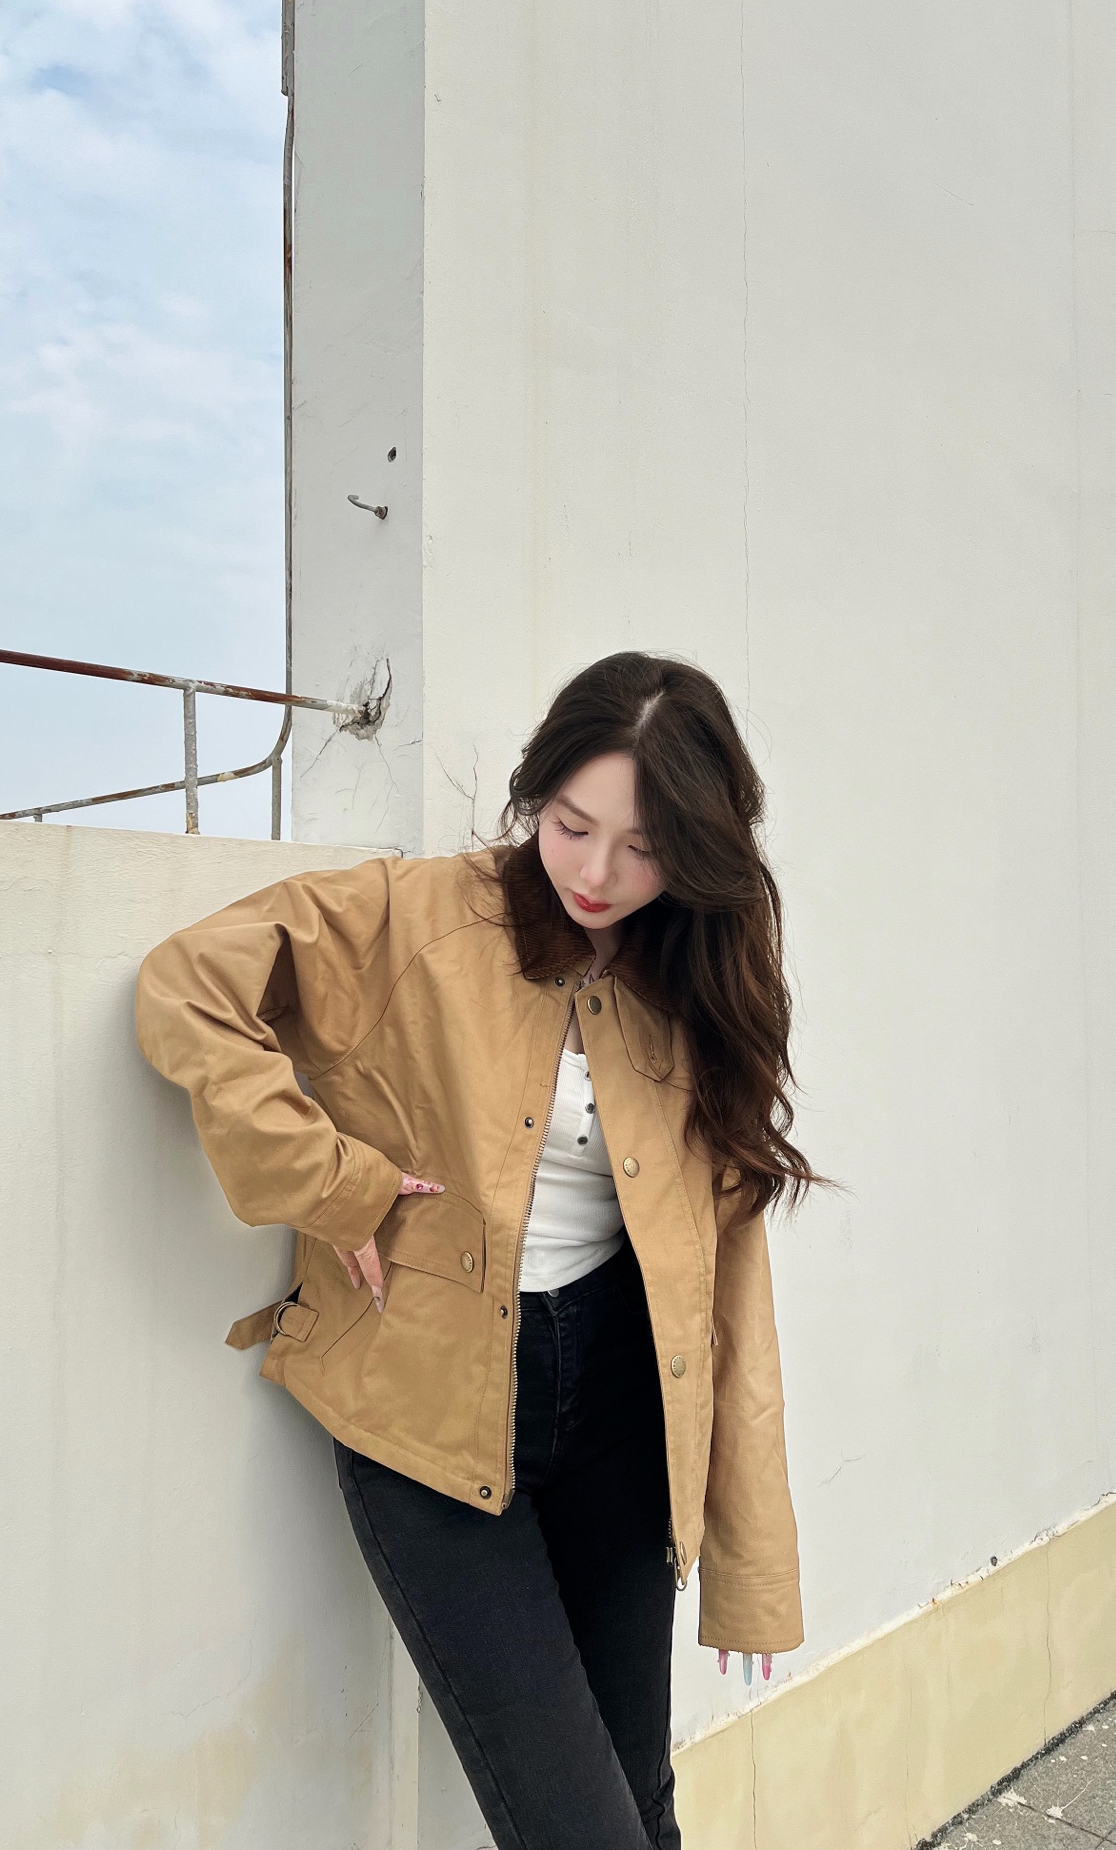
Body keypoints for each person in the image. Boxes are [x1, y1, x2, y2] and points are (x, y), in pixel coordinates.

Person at [135, 651, 815, 1850]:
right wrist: (329, 1183)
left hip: (624, 1413)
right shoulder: (415, 915)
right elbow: (185, 987)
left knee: (643, 1805)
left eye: (644, 849)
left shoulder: (694, 983)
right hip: (430, 1416)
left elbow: (728, 1287)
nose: (596, 875)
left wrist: (751, 1562)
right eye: (572, 825)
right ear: (536, 792)